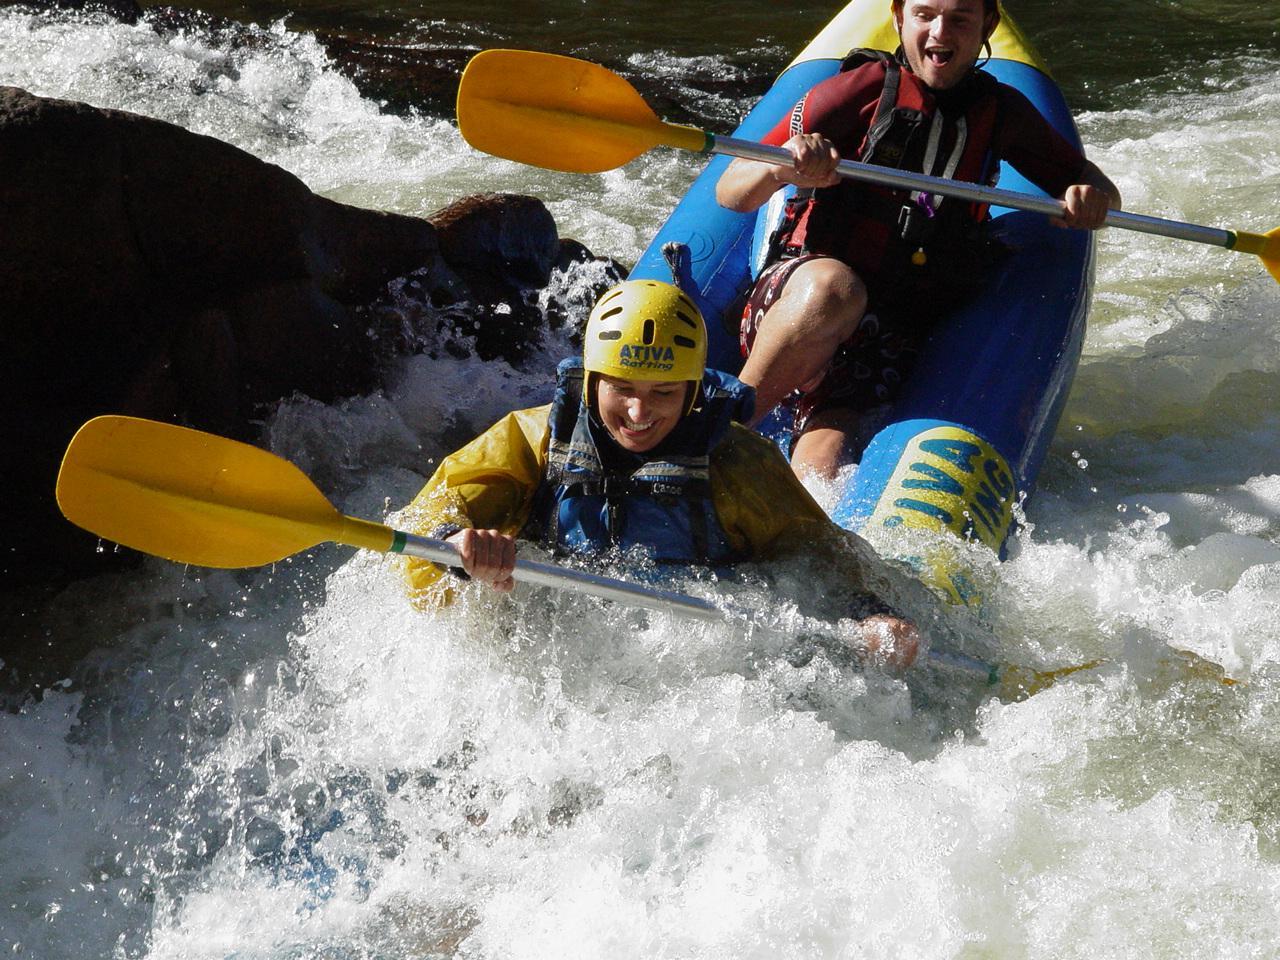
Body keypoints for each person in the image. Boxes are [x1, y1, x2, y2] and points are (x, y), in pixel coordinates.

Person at [400, 279, 920, 667]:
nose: (637, 413)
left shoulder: (738, 463)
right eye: (621, 388)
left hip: (698, 660)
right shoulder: (532, 440)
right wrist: (458, 544)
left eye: (663, 393)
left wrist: (865, 609)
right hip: (558, 653)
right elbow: (431, 512)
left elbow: (818, 553)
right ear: (591, 381)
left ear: (693, 391)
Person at [715, 0, 1123, 480]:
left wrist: (1091, 199)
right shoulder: (860, 90)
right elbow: (731, 192)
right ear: (899, 18)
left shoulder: (1002, 112)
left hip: (887, 330)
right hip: (803, 294)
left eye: (960, 19)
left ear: (986, 25)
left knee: (824, 469)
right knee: (835, 289)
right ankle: (718, 433)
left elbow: (1103, 193)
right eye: (926, 15)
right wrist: (781, 164)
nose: (939, 33)